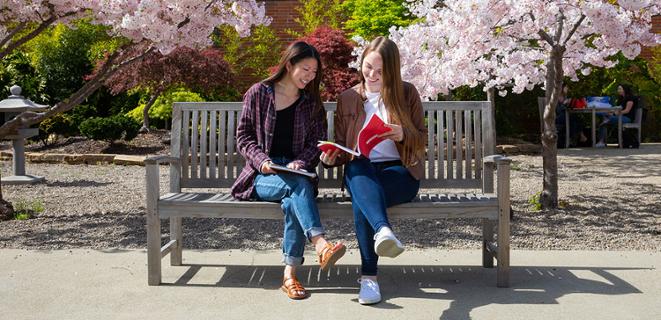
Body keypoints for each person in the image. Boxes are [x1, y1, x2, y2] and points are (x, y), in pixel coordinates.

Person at [231, 41, 346, 300]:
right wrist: (263, 161)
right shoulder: (258, 93)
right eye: (306, 69)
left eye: (314, 72)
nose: (310, 76)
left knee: (294, 196)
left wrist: (301, 162)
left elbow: (316, 143)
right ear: (289, 64)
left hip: (296, 175)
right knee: (298, 187)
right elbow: (244, 137)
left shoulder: (310, 102)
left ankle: (289, 276)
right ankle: (320, 244)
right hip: (261, 176)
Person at [320, 36, 426, 305]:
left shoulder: (407, 93)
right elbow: (343, 147)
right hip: (361, 168)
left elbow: (421, 139)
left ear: (392, 70)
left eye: (380, 71)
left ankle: (369, 277)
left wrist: (403, 134)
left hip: (400, 173)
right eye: (368, 67)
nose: (372, 75)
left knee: (362, 199)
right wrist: (331, 159)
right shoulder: (348, 98)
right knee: (359, 172)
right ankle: (383, 235)